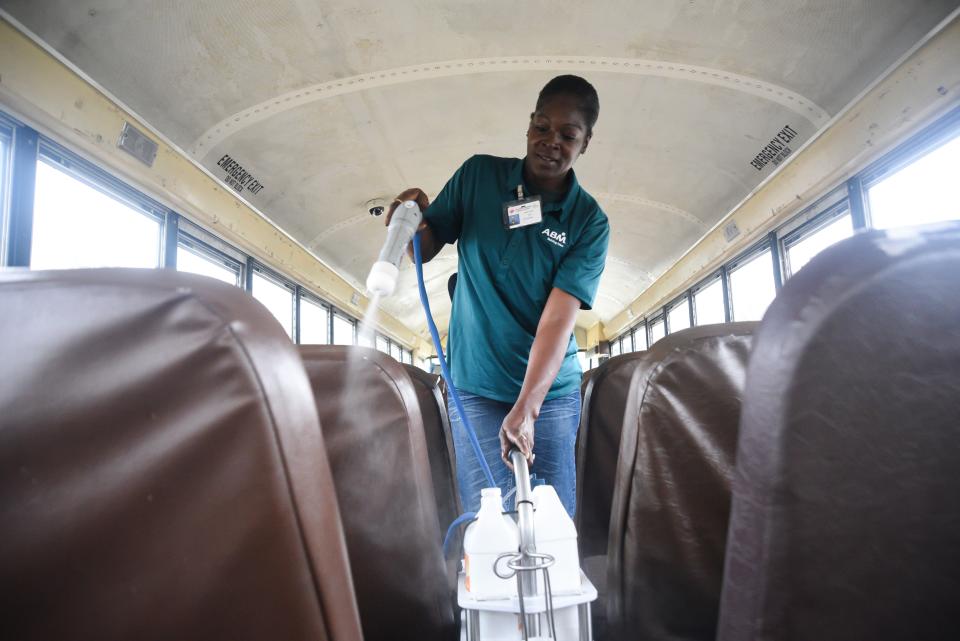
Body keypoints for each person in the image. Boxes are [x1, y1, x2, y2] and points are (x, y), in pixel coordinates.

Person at [386, 75, 609, 517]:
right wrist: (410, 221)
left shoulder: (588, 222)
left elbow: (557, 320)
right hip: (475, 385)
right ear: (529, 124)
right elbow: (425, 250)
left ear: (585, 143)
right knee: (490, 515)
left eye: (568, 135)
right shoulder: (478, 177)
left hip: (551, 395)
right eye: (542, 127)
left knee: (552, 519)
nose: (551, 142)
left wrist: (528, 406)